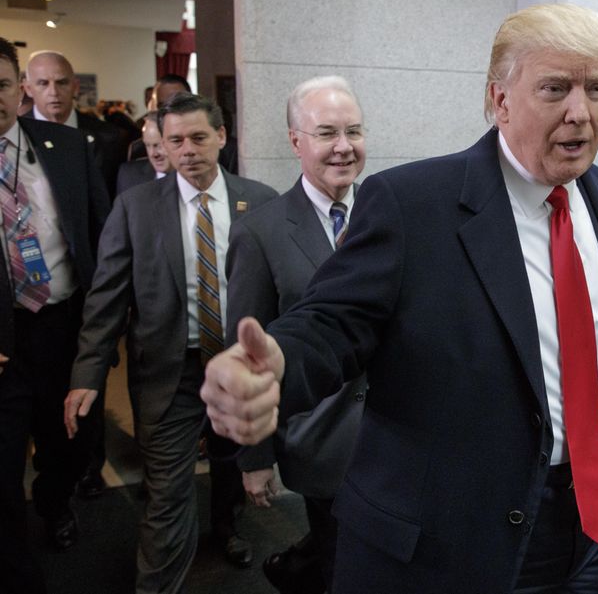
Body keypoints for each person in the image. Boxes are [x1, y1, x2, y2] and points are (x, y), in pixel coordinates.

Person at [201, 2, 598, 593]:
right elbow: (331, 322)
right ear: (499, 100)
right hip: (464, 542)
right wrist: (275, 364)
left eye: (596, 88)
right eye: (555, 89)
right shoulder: (413, 203)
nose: (581, 113)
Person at [64, 92, 278, 594]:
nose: (187, 151)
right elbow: (107, 299)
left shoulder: (262, 201)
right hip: (169, 372)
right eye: (174, 140)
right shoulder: (135, 207)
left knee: (232, 466)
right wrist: (87, 375)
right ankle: (157, 586)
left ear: (221, 138)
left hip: (239, 366)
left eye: (199, 138)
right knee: (166, 495)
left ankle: (226, 528)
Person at [226, 75, 368, 594]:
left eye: (353, 131)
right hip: (320, 441)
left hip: (393, 437)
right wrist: (256, 457)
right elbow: (247, 354)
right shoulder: (259, 233)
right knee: (338, 563)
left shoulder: (388, 214)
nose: (343, 147)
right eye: (327, 132)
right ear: (295, 141)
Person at [0, 37, 110, 593]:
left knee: (72, 443)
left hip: (65, 326)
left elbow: (100, 232)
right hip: (3, 340)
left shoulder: (65, 146)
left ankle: (54, 501)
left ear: (16, 86)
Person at [24, 51, 129, 202]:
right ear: (28, 89)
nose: (54, 92)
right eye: (43, 83)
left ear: (75, 86)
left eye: (62, 82)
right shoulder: (12, 135)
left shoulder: (110, 138)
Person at [116, 112, 170, 194]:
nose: (153, 154)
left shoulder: (192, 175)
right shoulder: (128, 176)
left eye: (157, 145)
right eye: (147, 146)